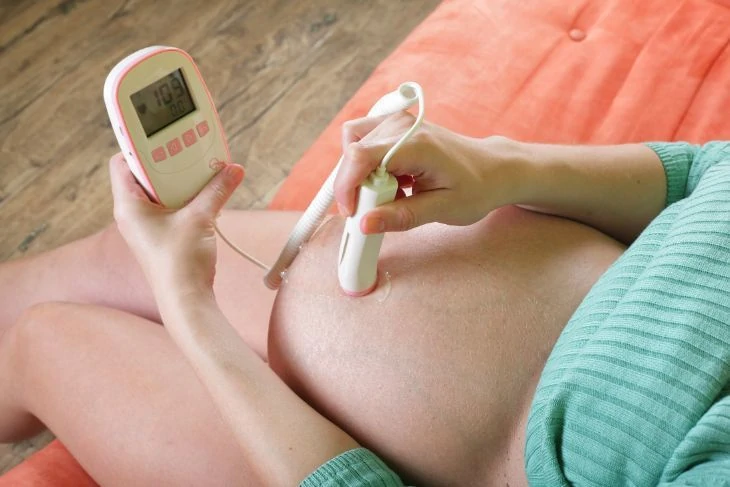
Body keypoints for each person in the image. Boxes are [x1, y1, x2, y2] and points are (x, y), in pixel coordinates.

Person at [0, 110, 727, 486]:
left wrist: (193, 314)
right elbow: (704, 172)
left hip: (326, 459)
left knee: (45, 339)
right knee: (121, 248)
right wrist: (499, 167)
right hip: (382, 273)